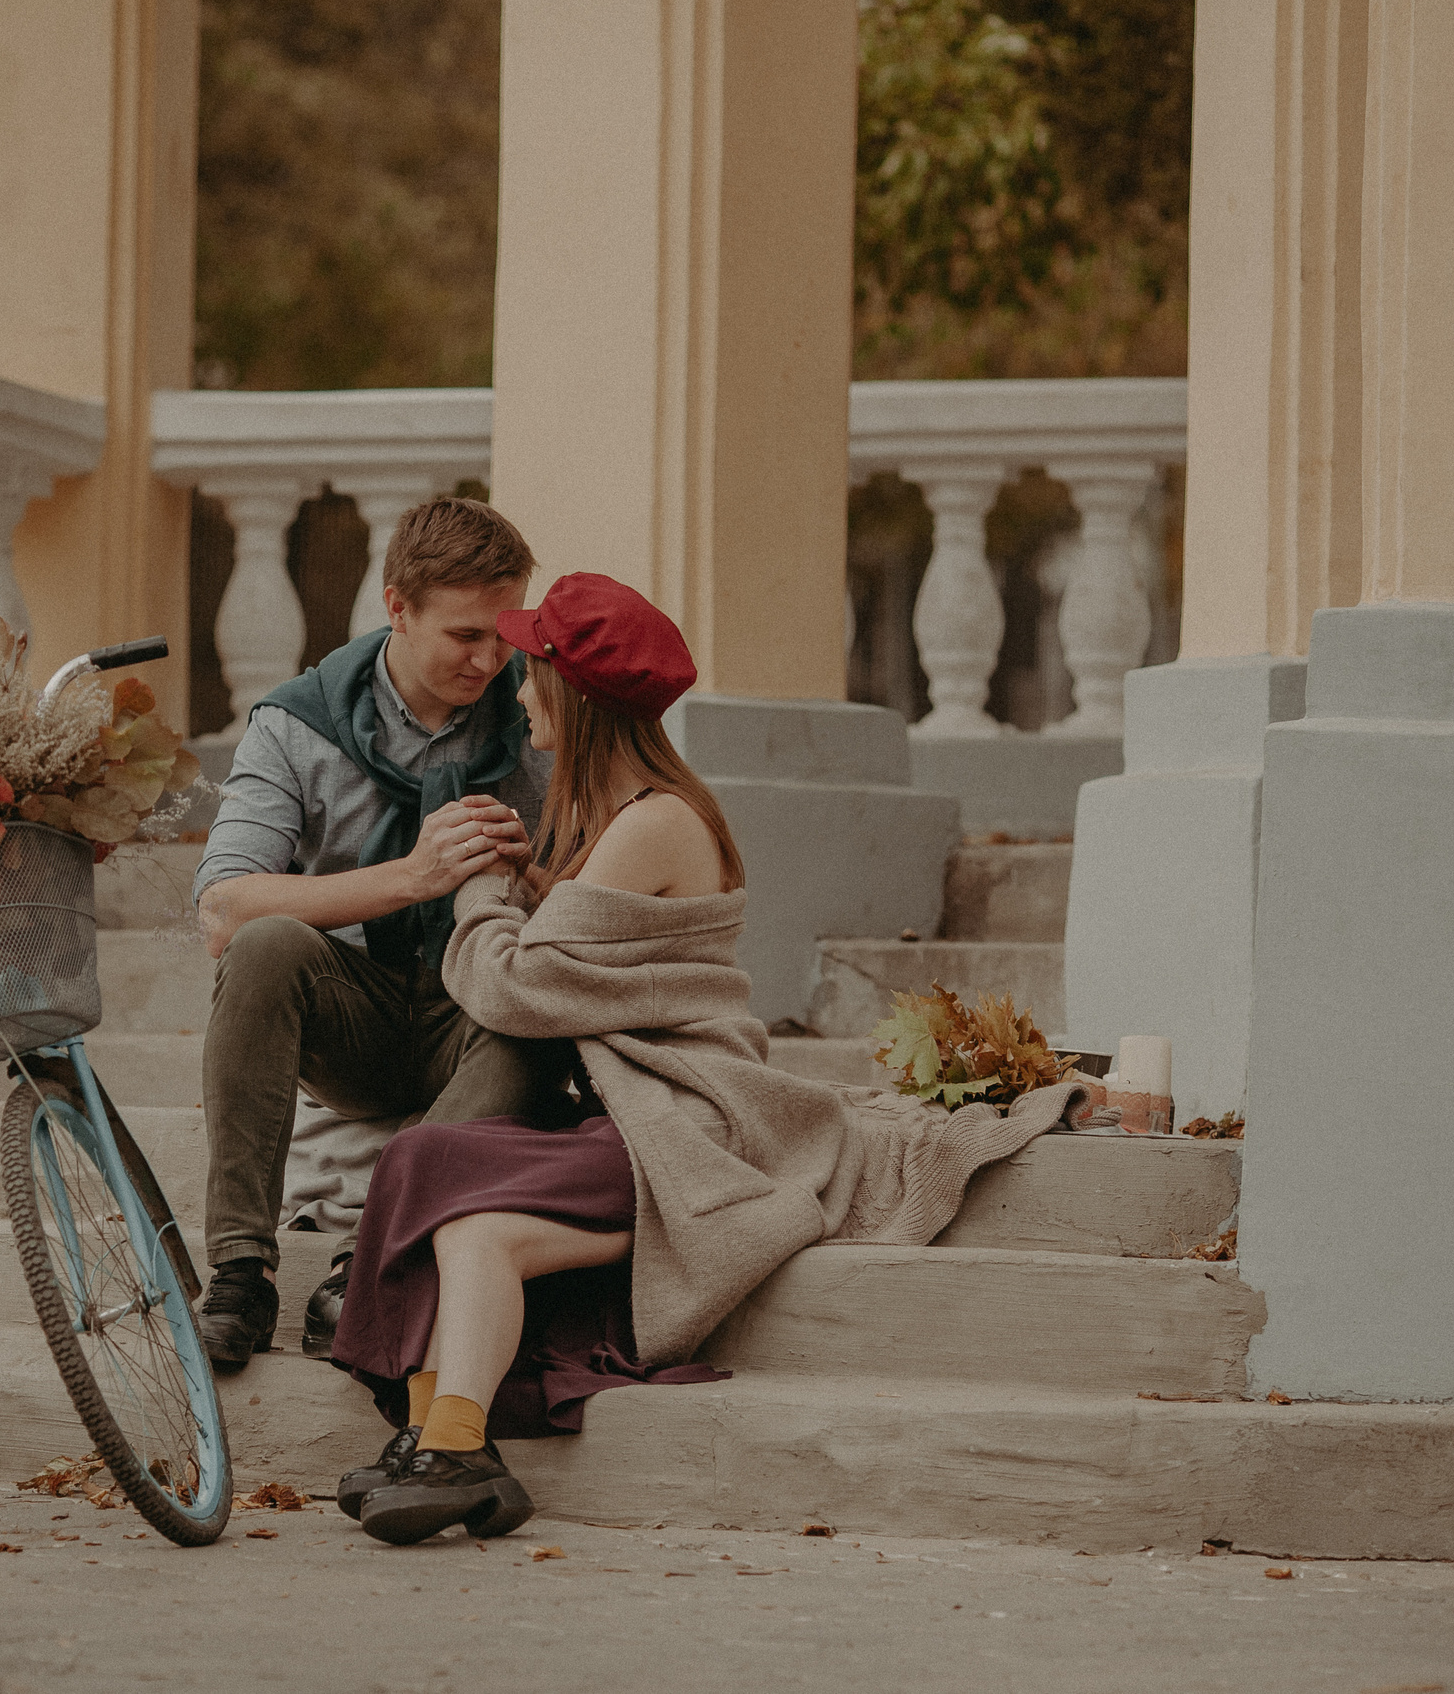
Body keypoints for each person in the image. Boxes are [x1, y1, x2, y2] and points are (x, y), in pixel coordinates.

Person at [330, 573, 1091, 1547]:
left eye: (533, 672)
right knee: (428, 1167)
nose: (517, 690)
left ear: (575, 694)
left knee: (465, 1214)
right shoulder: (627, 818)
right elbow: (580, 958)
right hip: (634, 1112)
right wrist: (522, 878)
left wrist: (477, 885)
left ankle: (452, 1445)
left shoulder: (655, 822)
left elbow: (517, 985)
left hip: (685, 1131)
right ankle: (436, 1439)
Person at [191, 498, 573, 1372]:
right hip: (352, 1018)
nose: (491, 660)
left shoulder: (541, 719)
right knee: (264, 945)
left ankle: (362, 1265)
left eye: (505, 634)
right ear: (397, 607)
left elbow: (598, 903)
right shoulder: (296, 723)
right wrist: (414, 875)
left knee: (541, 1006)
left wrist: (534, 877)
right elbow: (222, 910)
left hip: (475, 1016)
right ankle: (241, 1272)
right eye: (465, 635)